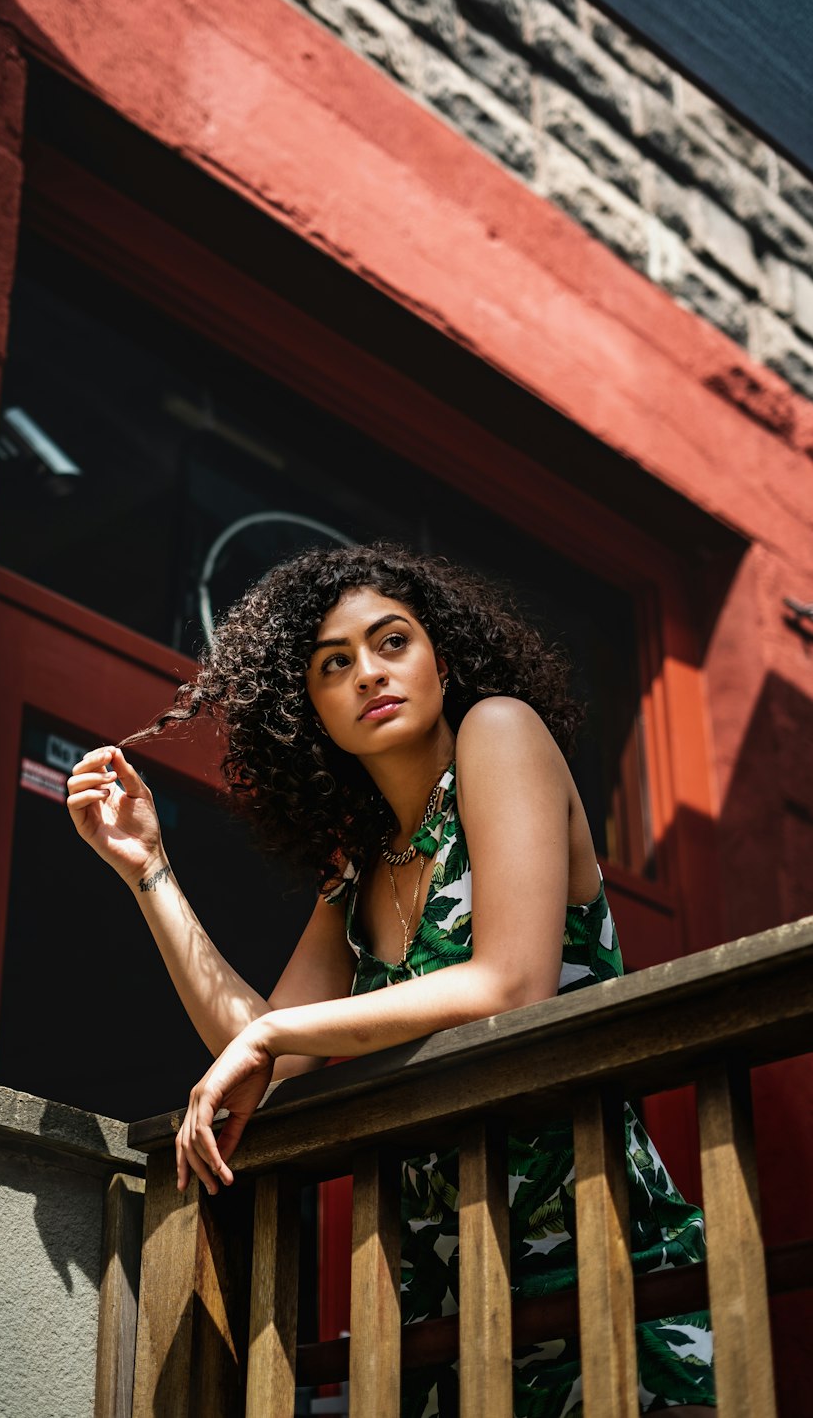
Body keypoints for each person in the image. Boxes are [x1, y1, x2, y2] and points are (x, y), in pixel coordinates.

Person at [67, 543, 716, 1416]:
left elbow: (510, 984)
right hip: (447, 1297)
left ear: (441, 661)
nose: (368, 673)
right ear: (315, 711)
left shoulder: (500, 732)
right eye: (335, 664)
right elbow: (262, 1050)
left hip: (603, 1259)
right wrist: (149, 871)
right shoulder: (361, 868)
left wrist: (271, 1035)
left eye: (392, 642)